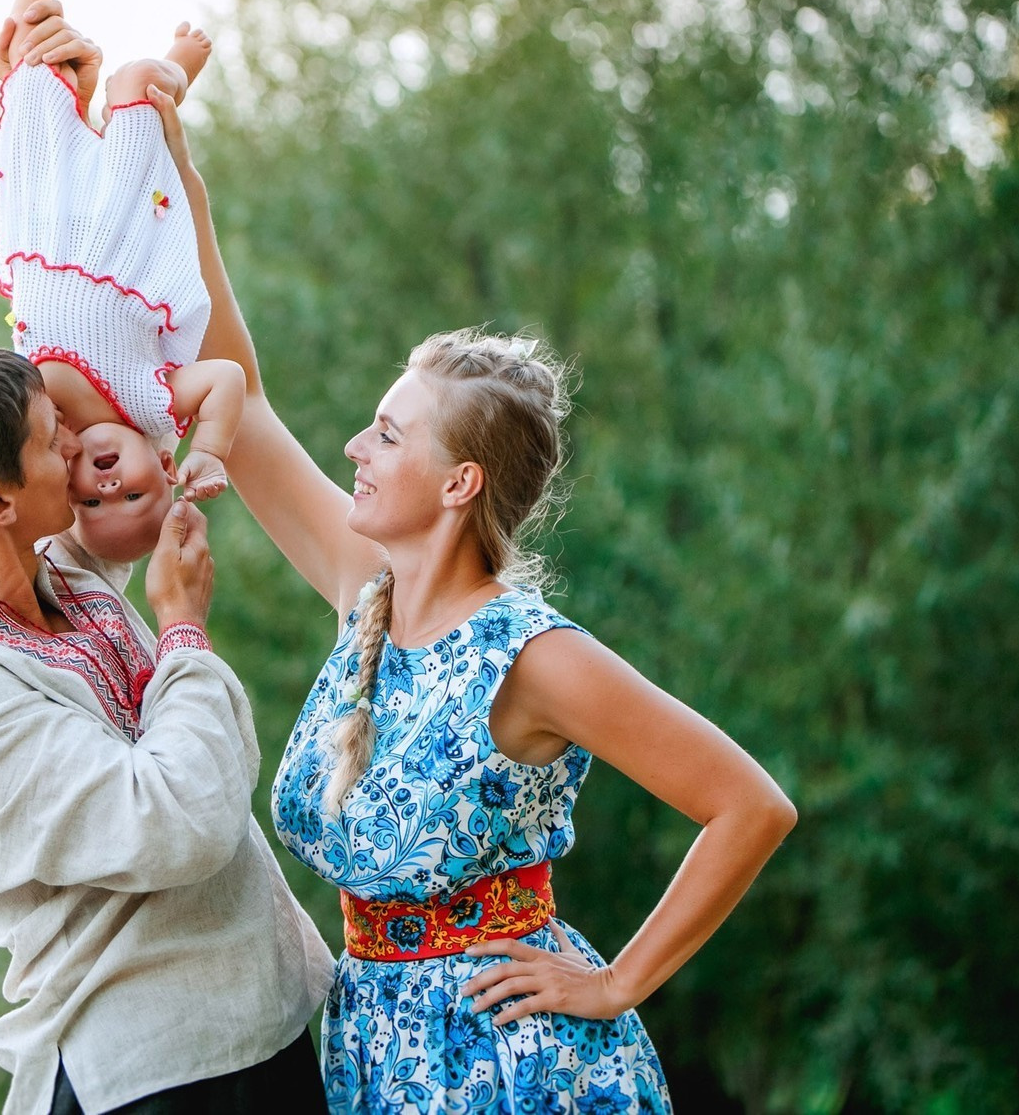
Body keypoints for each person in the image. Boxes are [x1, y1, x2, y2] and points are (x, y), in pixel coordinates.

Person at [139, 85, 799, 1112]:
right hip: (370, 1049)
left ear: (458, 483)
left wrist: (617, 981)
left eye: (387, 434)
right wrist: (177, 171)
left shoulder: (532, 655)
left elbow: (749, 805)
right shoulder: (365, 594)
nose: (354, 448)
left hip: (510, 1066)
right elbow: (242, 391)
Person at [0, 325, 332, 1113]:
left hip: (255, 1034)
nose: (76, 445)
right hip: (156, 1078)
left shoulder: (59, 571)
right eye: (49, 441)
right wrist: (182, 628)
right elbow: (179, 823)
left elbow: (102, 396)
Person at [0, 0, 246, 564]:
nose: (107, 488)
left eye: (93, 504)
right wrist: (210, 449)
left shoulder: (46, 435)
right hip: (121, 239)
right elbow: (227, 377)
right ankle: (178, 70)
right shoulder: (153, 408)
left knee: (30, 73)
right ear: (165, 466)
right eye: (134, 495)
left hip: (46, 228)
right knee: (138, 83)